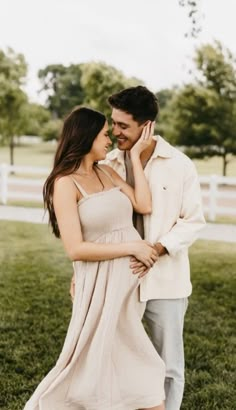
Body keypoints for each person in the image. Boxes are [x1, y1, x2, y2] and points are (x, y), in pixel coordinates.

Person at [24, 106, 166, 410]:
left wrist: (135, 158)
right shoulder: (65, 183)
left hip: (127, 287)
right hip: (99, 288)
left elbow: (143, 203)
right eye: (104, 134)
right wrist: (133, 247)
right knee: (101, 362)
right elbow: (75, 249)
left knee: (133, 363)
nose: (110, 140)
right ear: (86, 136)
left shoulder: (107, 171)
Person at [100, 86, 205, 410]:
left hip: (166, 282)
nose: (114, 131)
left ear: (146, 126)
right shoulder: (108, 164)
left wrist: (157, 250)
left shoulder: (180, 164)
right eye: (113, 123)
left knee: (169, 365)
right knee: (115, 357)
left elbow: (193, 220)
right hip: (119, 278)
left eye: (123, 126)